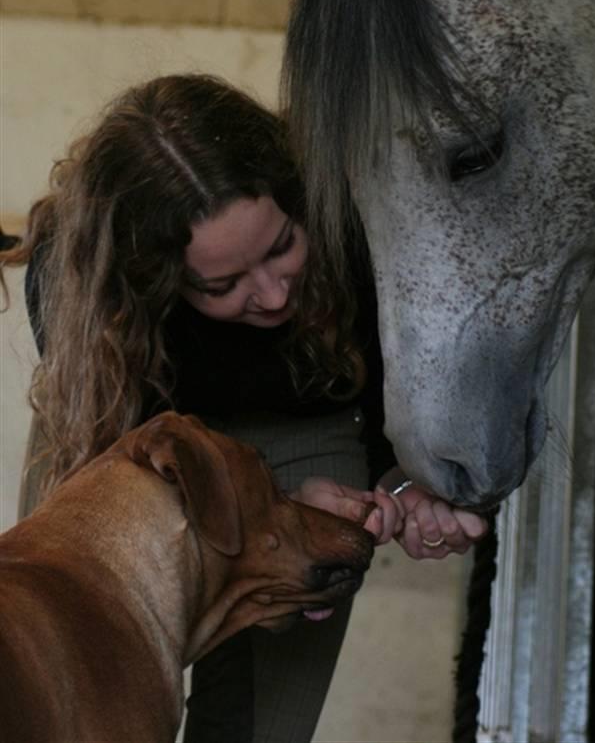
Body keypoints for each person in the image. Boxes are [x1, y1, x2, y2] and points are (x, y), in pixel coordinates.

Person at [0, 72, 487, 743]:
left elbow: (414, 393)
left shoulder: (358, 215)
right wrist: (251, 505)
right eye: (225, 284)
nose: (273, 294)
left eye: (283, 247)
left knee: (258, 727)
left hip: (304, 420)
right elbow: (117, 477)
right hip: (127, 443)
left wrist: (403, 484)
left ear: (298, 202)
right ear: (159, 277)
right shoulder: (84, 277)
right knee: (58, 664)